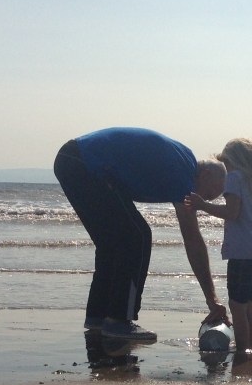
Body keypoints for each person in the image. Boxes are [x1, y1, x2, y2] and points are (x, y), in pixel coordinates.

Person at [53, 127, 230, 342]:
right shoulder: (183, 172)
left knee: (113, 243)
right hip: (84, 163)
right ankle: (119, 320)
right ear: (206, 174)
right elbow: (192, 238)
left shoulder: (183, 161)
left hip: (72, 159)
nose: (205, 200)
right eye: (209, 194)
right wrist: (212, 299)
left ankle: (98, 316)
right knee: (137, 237)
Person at [184, 138, 252, 354]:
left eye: (226, 164)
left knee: (237, 306)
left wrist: (202, 205)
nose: (226, 169)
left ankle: (242, 350)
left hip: (243, 253)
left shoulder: (235, 179)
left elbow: (232, 213)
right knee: (251, 307)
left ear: (234, 161)